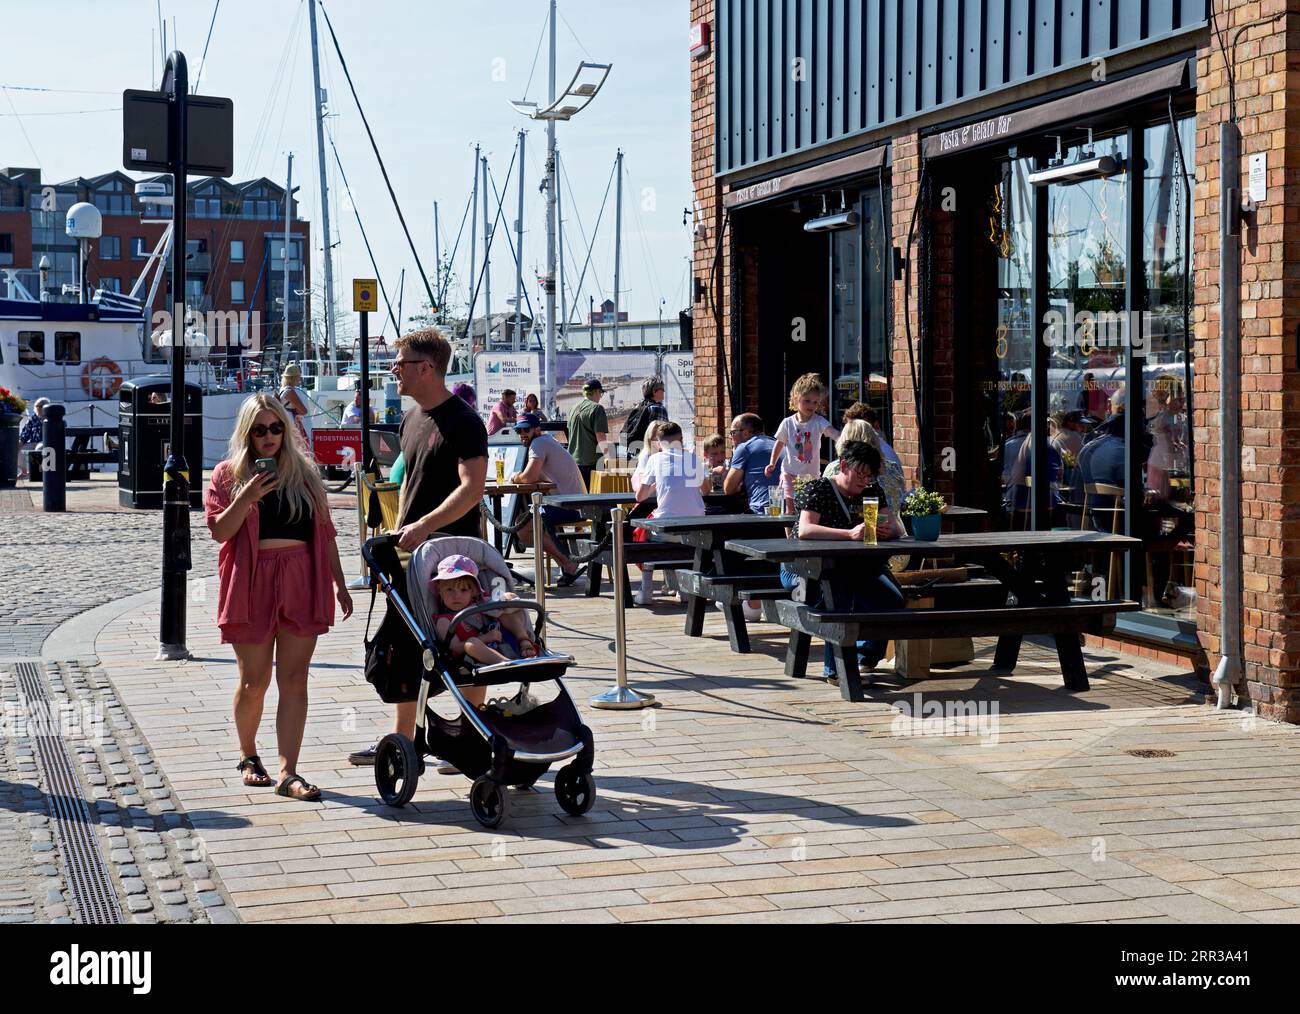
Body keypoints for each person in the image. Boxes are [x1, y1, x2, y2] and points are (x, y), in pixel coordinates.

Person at [348, 327, 488, 768]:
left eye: (401, 363)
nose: (394, 370)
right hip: (411, 555)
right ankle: (403, 741)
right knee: (407, 646)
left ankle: (471, 734)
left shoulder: (464, 420)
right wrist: (399, 530)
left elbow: (473, 488)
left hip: (454, 557)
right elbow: (408, 480)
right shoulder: (411, 419)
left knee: (462, 640)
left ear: (426, 367)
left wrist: (425, 525)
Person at [205, 394, 354, 801]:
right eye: (259, 429)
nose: (268, 436)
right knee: (255, 681)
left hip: (302, 578)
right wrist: (247, 496)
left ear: (285, 431)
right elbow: (220, 532)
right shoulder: (226, 474)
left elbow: (325, 533)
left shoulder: (304, 474)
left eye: (275, 428)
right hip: (250, 581)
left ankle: (289, 773)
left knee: (294, 679)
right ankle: (249, 756)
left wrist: (340, 583)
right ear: (247, 432)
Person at [780, 440, 903, 682]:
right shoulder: (819, 489)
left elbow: (895, 525)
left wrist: (891, 530)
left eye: (869, 476)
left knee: (892, 600)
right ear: (844, 465)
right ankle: (837, 670)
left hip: (855, 567)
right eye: (860, 473)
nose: (864, 481)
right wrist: (848, 534)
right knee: (839, 597)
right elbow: (805, 530)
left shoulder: (872, 491)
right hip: (805, 571)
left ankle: (864, 656)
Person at [633, 421, 710, 605]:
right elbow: (706, 490)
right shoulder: (692, 459)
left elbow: (640, 496)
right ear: (681, 440)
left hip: (666, 533)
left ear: (659, 443)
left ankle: (646, 589)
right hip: (696, 531)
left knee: (641, 533)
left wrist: (655, 485)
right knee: (681, 537)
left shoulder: (655, 459)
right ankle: (683, 590)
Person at [509, 412, 588, 587]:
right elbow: (540, 477)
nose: (522, 434)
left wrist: (516, 477)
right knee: (525, 521)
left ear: (537, 429)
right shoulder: (547, 441)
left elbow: (529, 477)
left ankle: (567, 562)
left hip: (569, 506)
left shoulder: (538, 443)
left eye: (525, 429)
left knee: (524, 527)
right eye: (518, 430)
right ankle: (566, 560)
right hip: (573, 504)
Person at [430, 556, 539, 678]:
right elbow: (456, 648)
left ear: (474, 592)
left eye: (463, 590)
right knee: (471, 643)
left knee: (503, 611)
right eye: (449, 589)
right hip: (469, 656)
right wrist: (486, 638)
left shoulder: (480, 605)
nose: (456, 596)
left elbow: (506, 604)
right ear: (440, 590)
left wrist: (507, 600)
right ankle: (505, 663)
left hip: (500, 643)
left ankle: (523, 639)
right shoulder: (444, 620)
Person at [764, 373, 840, 514]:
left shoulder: (818, 421)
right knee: (789, 508)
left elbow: (832, 432)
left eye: (815, 402)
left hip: (810, 476)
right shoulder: (787, 423)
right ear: (795, 399)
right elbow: (779, 443)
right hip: (790, 473)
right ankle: (790, 537)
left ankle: (804, 533)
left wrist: (843, 439)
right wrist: (772, 463)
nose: (811, 405)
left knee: (809, 509)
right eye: (807, 401)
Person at [824, 419, 905, 529]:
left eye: (868, 475)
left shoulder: (835, 468)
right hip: (893, 531)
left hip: (854, 530)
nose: (866, 479)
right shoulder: (892, 467)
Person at [723, 413, 777, 514]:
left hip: (761, 512)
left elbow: (728, 489)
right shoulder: (778, 444)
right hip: (786, 510)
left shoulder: (745, 448)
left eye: (733, 432)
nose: (731, 437)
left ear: (745, 433)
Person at [566, 378, 609, 488]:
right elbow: (600, 436)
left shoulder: (572, 408)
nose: (600, 397)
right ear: (596, 392)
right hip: (592, 463)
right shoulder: (597, 408)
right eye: (601, 393)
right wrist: (608, 457)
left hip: (573, 462)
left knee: (579, 497)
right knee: (594, 499)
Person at [622, 376, 670, 451]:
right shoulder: (658, 408)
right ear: (654, 391)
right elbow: (664, 435)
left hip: (633, 452)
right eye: (662, 389)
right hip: (649, 454)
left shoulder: (638, 406)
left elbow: (624, 431)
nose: (664, 391)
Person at [278, 364, 312, 448]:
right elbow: (303, 411)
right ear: (294, 378)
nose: (300, 379)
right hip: (292, 423)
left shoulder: (282, 390)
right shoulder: (290, 391)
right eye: (298, 377)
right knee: (301, 448)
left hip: (286, 421)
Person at [18, 396, 48, 480]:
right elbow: (25, 433)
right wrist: (20, 442)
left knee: (39, 448)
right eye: (37, 406)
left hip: (44, 442)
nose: (38, 408)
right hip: (33, 442)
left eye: (40, 406)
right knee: (15, 448)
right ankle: (24, 472)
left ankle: (37, 472)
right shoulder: (33, 419)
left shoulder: (49, 418)